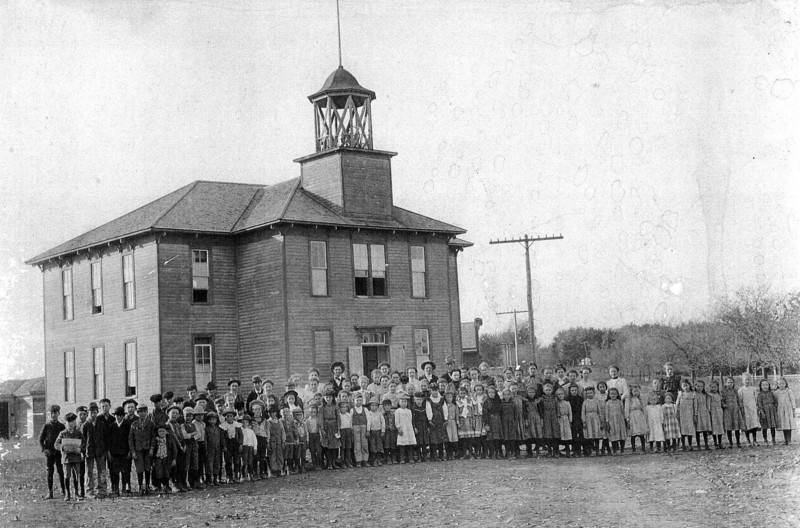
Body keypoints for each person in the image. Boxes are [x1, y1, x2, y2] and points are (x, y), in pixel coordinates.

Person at [55, 412, 83, 501]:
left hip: (76, 458)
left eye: (73, 422)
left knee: (76, 475)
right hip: (66, 458)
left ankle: (76, 493)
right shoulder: (62, 433)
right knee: (67, 476)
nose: (71, 424)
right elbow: (56, 444)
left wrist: (80, 449)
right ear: (66, 423)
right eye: (69, 422)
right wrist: (63, 447)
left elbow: (84, 443)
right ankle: (67, 494)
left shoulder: (78, 433)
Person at [39, 404, 66, 499]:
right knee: (49, 472)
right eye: (51, 413)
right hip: (49, 453)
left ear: (59, 413)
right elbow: (40, 439)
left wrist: (62, 449)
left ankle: (64, 491)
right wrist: (44, 449)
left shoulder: (62, 426)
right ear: (49, 414)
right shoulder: (46, 426)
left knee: (61, 471)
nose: (53, 415)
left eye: (55, 413)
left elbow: (64, 439)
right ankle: (50, 492)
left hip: (59, 453)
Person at [129, 404, 155, 495]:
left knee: (147, 468)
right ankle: (140, 486)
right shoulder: (134, 424)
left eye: (144, 412)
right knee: (139, 468)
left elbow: (153, 437)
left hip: (148, 449)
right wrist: (133, 451)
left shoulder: (151, 424)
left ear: (147, 412)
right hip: (138, 449)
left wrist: (152, 448)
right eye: (140, 412)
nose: (142, 414)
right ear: (137, 413)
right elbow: (131, 439)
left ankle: (147, 486)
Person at [106, 406, 131, 496]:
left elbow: (130, 439)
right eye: (117, 415)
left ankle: (124, 488)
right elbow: (108, 441)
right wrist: (109, 452)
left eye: (121, 415)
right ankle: (115, 489)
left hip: (124, 452)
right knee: (115, 471)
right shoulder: (111, 426)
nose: (119, 417)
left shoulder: (127, 425)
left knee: (124, 471)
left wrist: (130, 451)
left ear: (123, 416)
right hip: (114, 453)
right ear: (115, 416)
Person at [151, 424, 177, 494]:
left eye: (163, 431)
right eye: (159, 431)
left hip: (167, 458)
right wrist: (153, 460)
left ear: (166, 432)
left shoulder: (170, 440)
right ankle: (159, 486)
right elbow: (153, 451)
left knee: (166, 472)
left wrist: (174, 459)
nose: (161, 433)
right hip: (158, 458)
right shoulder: (156, 440)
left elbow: (174, 449)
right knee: (159, 472)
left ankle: (166, 486)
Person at [219, 407, 242, 483]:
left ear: (233, 417)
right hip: (228, 444)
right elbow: (222, 437)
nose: (229, 418)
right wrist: (224, 446)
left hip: (235, 444)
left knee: (236, 461)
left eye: (231, 416)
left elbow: (241, 435)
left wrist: (240, 444)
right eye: (227, 416)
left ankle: (236, 476)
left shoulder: (237, 425)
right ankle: (229, 477)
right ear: (225, 417)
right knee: (228, 461)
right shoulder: (223, 426)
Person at [721, 377, 745, 448]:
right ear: (726, 383)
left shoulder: (735, 391)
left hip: (735, 410)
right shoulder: (724, 392)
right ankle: (730, 442)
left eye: (731, 382)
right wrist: (723, 404)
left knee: (737, 427)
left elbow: (738, 400)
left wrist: (740, 407)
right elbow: (722, 400)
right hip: (728, 411)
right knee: (729, 427)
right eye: (728, 382)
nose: (730, 384)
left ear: (733, 383)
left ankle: (738, 442)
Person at [738, 373, 761, 446]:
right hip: (745, 409)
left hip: (753, 409)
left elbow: (756, 398)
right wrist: (742, 408)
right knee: (747, 425)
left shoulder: (753, 389)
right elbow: (740, 400)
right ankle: (748, 440)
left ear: (750, 380)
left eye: (748, 380)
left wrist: (757, 407)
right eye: (745, 380)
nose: (747, 381)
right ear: (743, 381)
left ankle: (754, 440)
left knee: (754, 424)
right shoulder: (741, 390)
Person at [538, 383, 560, 458]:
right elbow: (541, 410)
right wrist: (541, 419)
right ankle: (549, 451)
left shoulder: (555, 398)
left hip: (554, 417)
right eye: (546, 390)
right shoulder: (542, 399)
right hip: (546, 417)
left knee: (555, 434)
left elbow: (557, 408)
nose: (548, 391)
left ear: (552, 390)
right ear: (544, 391)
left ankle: (556, 451)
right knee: (548, 434)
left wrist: (558, 417)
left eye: (549, 390)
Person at [624, 384, 648, 454]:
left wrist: (644, 416)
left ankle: (643, 448)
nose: (636, 393)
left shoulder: (640, 399)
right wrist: (627, 418)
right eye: (634, 391)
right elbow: (626, 409)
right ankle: (633, 449)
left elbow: (643, 407)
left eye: (637, 391)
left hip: (639, 416)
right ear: (631, 392)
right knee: (633, 434)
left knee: (641, 434)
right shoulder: (629, 400)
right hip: (632, 416)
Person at [320, 392, 341, 470]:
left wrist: (338, 428)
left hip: (334, 426)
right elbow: (321, 418)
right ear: (324, 398)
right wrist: (322, 429)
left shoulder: (335, 407)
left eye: (330, 397)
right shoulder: (322, 407)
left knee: (335, 445)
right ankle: (329, 463)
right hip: (326, 426)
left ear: (333, 398)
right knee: (327, 446)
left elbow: (338, 417)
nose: (328, 399)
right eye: (327, 397)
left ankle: (334, 462)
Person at [427, 383, 448, 462]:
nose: (435, 392)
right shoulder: (429, 400)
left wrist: (446, 418)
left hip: (440, 421)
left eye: (436, 390)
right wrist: (430, 419)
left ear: (438, 390)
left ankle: (441, 455)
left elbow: (445, 409)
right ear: (430, 391)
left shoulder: (442, 399)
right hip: (433, 421)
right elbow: (428, 410)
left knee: (441, 438)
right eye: (433, 390)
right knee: (433, 438)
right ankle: (433, 455)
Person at [582, 386, 605, 456]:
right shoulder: (585, 402)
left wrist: (601, 422)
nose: (589, 394)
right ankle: (590, 451)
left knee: (596, 436)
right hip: (588, 420)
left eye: (591, 393)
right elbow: (583, 412)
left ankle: (597, 451)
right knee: (589, 436)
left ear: (594, 393)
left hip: (595, 419)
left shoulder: (596, 401)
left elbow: (599, 412)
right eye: (588, 393)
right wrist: (584, 422)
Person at [499, 388, 522, 459]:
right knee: (506, 438)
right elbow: (500, 414)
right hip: (504, 423)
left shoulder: (513, 404)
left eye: (508, 394)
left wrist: (515, 422)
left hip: (512, 422)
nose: (506, 396)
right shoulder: (501, 404)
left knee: (512, 437)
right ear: (503, 395)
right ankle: (507, 452)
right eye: (505, 395)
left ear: (510, 395)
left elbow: (516, 414)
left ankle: (513, 452)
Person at [394, 394, 416, 463]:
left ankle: (411, 458)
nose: (403, 403)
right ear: (399, 402)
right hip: (402, 428)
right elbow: (396, 421)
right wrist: (398, 428)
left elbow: (410, 420)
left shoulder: (409, 411)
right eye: (402, 401)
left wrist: (411, 429)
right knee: (402, 445)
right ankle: (402, 459)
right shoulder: (397, 411)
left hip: (408, 429)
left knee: (409, 444)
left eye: (405, 402)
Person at [482, 385, 503, 459]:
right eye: (489, 392)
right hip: (490, 420)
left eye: (492, 392)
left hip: (498, 420)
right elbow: (485, 413)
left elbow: (501, 412)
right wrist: (486, 424)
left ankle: (499, 453)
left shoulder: (499, 401)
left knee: (498, 437)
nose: (491, 394)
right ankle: (492, 453)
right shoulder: (486, 402)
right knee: (491, 437)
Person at [676, 380, 697, 451]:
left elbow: (695, 405)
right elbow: (677, 403)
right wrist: (677, 412)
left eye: (686, 385)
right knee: (683, 429)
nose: (685, 387)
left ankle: (690, 445)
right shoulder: (681, 394)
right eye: (683, 386)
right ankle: (683, 445)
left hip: (690, 413)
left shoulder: (693, 394)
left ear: (689, 385)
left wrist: (695, 414)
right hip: (682, 414)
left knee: (689, 429)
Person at [757, 379, 778, 446]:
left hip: (771, 411)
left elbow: (775, 401)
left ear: (769, 386)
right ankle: (765, 439)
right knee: (764, 426)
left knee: (772, 426)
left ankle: (773, 439)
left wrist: (774, 407)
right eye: (763, 385)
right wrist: (762, 412)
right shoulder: (760, 394)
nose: (765, 386)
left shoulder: (771, 393)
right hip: (764, 411)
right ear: (761, 386)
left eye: (766, 385)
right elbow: (759, 404)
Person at [605, 387, 627, 454]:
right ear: (609, 395)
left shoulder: (620, 402)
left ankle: (622, 450)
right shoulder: (608, 403)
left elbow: (623, 411)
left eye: (615, 394)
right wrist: (607, 421)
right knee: (613, 435)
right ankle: (614, 450)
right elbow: (606, 413)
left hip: (620, 420)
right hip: (612, 421)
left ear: (617, 394)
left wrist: (625, 419)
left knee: (621, 435)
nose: (613, 395)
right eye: (611, 394)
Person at [774, 378, 796, 445]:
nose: (781, 385)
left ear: (786, 384)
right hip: (780, 410)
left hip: (788, 410)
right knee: (783, 424)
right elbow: (775, 402)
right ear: (778, 385)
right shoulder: (776, 392)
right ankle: (785, 439)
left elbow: (792, 400)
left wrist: (793, 409)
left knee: (788, 424)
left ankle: (789, 439)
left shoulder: (789, 391)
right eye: (780, 384)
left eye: (783, 383)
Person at [266, 405, 286, 477]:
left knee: (279, 455)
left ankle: (279, 469)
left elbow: (282, 431)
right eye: (271, 413)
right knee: (273, 455)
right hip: (272, 441)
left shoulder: (279, 421)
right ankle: (274, 470)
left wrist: (283, 441)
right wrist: (268, 442)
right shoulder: (268, 422)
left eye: (274, 412)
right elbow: (268, 432)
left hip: (279, 441)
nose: (273, 414)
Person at [204, 411, 223, 486]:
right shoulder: (207, 429)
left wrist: (224, 446)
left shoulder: (218, 429)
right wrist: (206, 449)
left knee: (217, 463)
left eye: (214, 419)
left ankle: (215, 478)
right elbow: (205, 440)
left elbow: (221, 439)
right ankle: (209, 479)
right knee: (210, 464)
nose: (212, 421)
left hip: (217, 448)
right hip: (210, 449)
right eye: (210, 419)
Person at [524, 384, 543, 457]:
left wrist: (541, 419)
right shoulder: (525, 401)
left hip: (537, 417)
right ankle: (529, 451)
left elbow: (541, 410)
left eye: (533, 392)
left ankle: (537, 450)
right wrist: (525, 419)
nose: (531, 394)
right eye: (529, 392)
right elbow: (524, 411)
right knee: (529, 434)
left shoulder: (538, 401)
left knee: (537, 433)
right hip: (529, 417)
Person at [566, 384, 585, 456]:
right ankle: (574, 450)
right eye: (572, 390)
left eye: (575, 390)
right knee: (573, 435)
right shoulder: (568, 399)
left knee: (580, 434)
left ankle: (580, 450)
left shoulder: (580, 399)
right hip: (571, 419)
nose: (574, 392)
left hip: (579, 418)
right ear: (570, 391)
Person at [366, 396, 385, 466]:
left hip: (379, 431)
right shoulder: (369, 413)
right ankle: (374, 460)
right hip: (372, 432)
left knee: (379, 445)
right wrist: (368, 430)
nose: (374, 407)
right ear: (370, 406)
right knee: (372, 445)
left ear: (378, 406)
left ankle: (379, 459)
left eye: (375, 405)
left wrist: (383, 431)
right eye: (372, 405)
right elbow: (368, 422)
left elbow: (383, 422)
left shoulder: (379, 413)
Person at [693, 380, 712, 450]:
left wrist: (708, 411)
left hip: (705, 412)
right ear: (695, 386)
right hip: (698, 412)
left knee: (705, 429)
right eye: (698, 386)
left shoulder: (705, 394)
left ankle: (706, 444)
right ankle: (698, 445)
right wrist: (695, 414)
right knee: (698, 430)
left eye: (701, 386)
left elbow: (708, 403)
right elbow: (695, 405)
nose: (699, 388)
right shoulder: (695, 394)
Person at [555, 387, 573, 458]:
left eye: (561, 394)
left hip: (566, 420)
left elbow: (570, 413)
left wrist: (570, 421)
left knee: (567, 436)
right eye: (558, 394)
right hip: (559, 420)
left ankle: (568, 452)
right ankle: (557, 452)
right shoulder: (556, 403)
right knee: (559, 435)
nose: (560, 396)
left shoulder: (567, 403)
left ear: (564, 395)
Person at [707, 380, 725, 449]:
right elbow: (708, 404)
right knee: (714, 428)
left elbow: (721, 403)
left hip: (719, 412)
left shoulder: (719, 394)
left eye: (715, 387)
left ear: (717, 387)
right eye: (712, 387)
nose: (713, 388)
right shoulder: (709, 395)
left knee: (720, 427)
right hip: (713, 412)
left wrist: (723, 405)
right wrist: (709, 411)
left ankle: (720, 443)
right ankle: (715, 443)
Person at [240, 414, 257, 481]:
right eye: (243, 422)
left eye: (246, 422)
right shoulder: (241, 430)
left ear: (248, 423)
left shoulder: (251, 431)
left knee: (250, 461)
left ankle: (250, 474)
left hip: (250, 447)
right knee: (244, 462)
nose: (245, 423)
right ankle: (243, 476)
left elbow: (254, 440)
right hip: (244, 447)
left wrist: (255, 448)